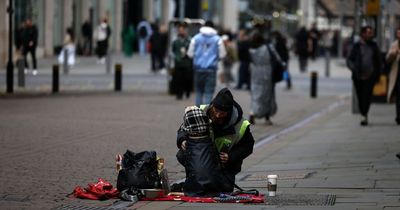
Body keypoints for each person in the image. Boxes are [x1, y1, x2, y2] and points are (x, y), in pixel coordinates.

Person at [176, 88, 254, 192]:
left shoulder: (241, 125)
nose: (217, 115)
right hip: (201, 158)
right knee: (182, 154)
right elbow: (183, 129)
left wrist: (231, 157)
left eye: (222, 113)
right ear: (212, 106)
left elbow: (248, 146)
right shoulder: (200, 111)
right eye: (216, 111)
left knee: (224, 189)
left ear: (229, 112)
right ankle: (194, 178)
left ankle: (204, 180)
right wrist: (182, 140)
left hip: (224, 166)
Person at [346, 26, 382, 126]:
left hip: (370, 76)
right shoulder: (356, 46)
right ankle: (363, 113)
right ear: (363, 34)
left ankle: (364, 114)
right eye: (368, 32)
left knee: (367, 96)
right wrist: (353, 68)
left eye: (371, 32)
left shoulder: (374, 46)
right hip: (358, 76)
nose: (370, 34)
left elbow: (378, 61)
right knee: (360, 96)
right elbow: (349, 60)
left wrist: (378, 74)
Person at [187, 21, 226, 106]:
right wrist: (216, 58)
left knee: (198, 92)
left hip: (198, 69)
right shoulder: (217, 39)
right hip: (211, 70)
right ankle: (206, 114)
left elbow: (190, 54)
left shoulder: (196, 38)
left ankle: (198, 113)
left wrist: (197, 57)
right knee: (209, 92)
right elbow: (223, 54)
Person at [248, 32, 279, 125]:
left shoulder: (250, 49)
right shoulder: (268, 48)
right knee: (267, 95)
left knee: (255, 94)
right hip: (267, 73)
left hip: (255, 72)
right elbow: (277, 58)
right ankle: (267, 117)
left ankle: (252, 114)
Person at [172, 22, 193, 100]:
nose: (181, 32)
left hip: (187, 63)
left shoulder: (189, 40)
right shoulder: (176, 41)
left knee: (187, 79)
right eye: (179, 30)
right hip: (178, 63)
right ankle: (179, 94)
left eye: (182, 30)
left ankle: (187, 91)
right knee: (178, 79)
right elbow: (173, 50)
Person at [385, 27, 400, 125]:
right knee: (399, 96)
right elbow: (387, 60)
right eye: (398, 33)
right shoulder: (394, 44)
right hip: (398, 75)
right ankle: (399, 116)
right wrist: (392, 54)